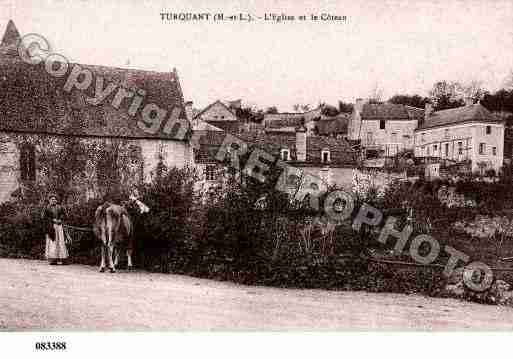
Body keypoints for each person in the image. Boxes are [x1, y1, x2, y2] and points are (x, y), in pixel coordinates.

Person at [42, 194, 69, 265]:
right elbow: (43, 217)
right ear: (49, 200)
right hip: (51, 227)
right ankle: (53, 259)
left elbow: (66, 215)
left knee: (61, 242)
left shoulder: (60, 207)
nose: (54, 201)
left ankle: (63, 258)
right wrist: (52, 220)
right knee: (53, 242)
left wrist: (60, 220)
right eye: (52, 199)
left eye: (55, 199)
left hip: (59, 227)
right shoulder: (46, 208)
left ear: (57, 200)